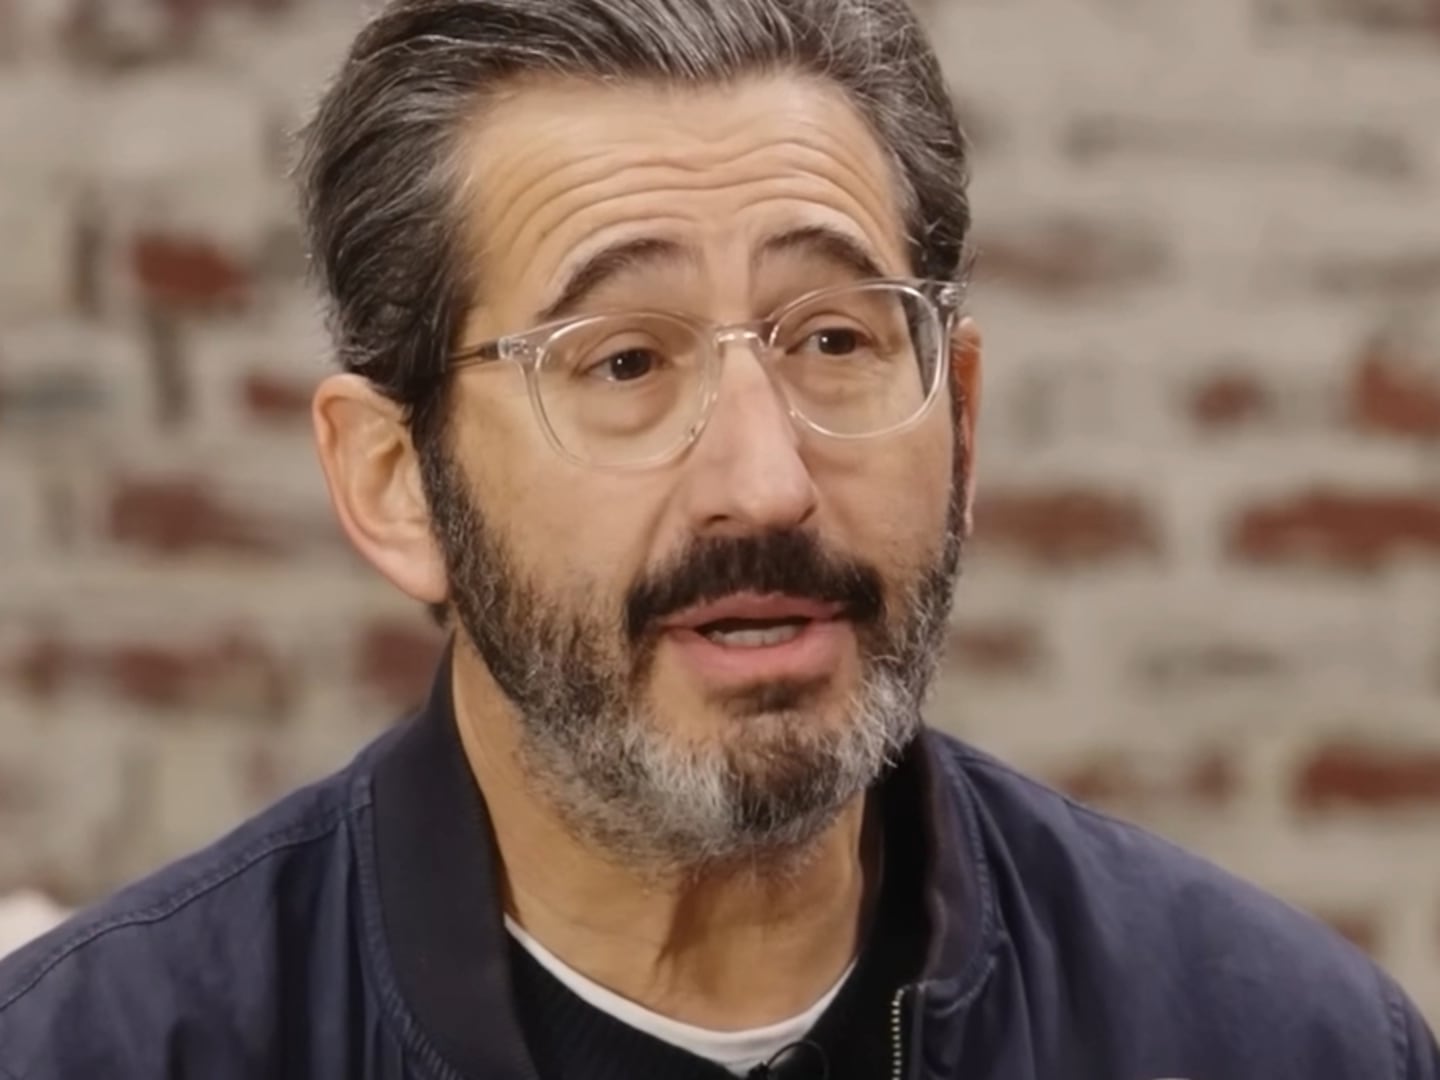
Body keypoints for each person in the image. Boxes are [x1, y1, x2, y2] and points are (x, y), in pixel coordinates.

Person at [1, 0, 1436, 1076]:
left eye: (835, 340)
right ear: (395, 483)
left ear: (962, 417)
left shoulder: (1275, 1041)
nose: (765, 483)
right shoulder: (106, 1049)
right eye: (624, 361)